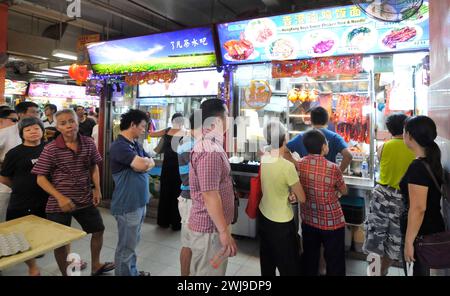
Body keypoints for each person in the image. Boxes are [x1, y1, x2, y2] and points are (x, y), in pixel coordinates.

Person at [32, 109, 114, 276]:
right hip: (58, 203)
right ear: (57, 127)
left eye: (71, 121)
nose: (68, 125)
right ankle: (66, 273)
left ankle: (96, 265)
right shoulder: (51, 148)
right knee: (61, 241)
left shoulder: (89, 142)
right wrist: (60, 197)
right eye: (63, 123)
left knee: (98, 229)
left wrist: (97, 188)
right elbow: (40, 178)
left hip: (84, 198)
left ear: (78, 122)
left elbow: (93, 166)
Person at [188, 99, 237, 276]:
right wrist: (224, 232)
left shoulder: (212, 144)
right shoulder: (209, 149)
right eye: (227, 116)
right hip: (210, 230)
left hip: (214, 227)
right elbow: (210, 194)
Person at [363, 113, 415, 276]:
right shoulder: (413, 147)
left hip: (381, 195)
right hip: (402, 199)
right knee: (395, 241)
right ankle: (383, 270)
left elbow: (379, 159)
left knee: (374, 240)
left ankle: (374, 273)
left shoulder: (384, 146)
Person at [109, 109, 154, 276]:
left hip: (138, 202)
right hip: (127, 204)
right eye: (142, 126)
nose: (144, 130)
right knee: (126, 247)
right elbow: (143, 165)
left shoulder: (135, 144)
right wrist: (144, 164)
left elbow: (150, 162)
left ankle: (131, 272)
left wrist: (145, 163)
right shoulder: (119, 146)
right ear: (132, 125)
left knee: (133, 243)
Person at [0, 117, 48, 276]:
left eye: (36, 128)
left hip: (47, 200)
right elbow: (4, 176)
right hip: (22, 201)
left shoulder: (50, 148)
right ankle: (33, 268)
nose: (33, 132)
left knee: (48, 232)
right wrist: (18, 187)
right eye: (28, 130)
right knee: (22, 234)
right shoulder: (14, 153)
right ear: (22, 133)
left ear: (42, 130)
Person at [297, 129, 348, 276]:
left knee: (310, 258)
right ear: (323, 147)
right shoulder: (333, 168)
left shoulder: (299, 164)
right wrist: (337, 191)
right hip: (331, 223)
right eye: (326, 143)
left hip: (309, 219)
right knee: (334, 260)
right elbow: (344, 191)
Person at [258, 121, 306, 276]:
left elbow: (273, 185)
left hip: (264, 216)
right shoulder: (287, 166)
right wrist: (293, 195)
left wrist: (288, 194)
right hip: (282, 224)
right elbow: (302, 198)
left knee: (267, 263)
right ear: (284, 138)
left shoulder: (264, 158)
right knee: (289, 266)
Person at [401, 116, 446, 276]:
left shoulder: (417, 167)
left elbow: (418, 208)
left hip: (421, 236)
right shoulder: (431, 160)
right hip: (431, 229)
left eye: (404, 132)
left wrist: (408, 242)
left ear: (410, 136)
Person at [149, 113, 186, 230]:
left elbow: (152, 135)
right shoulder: (185, 133)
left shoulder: (167, 131)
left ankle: (163, 221)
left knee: (165, 193)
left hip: (167, 167)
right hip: (179, 168)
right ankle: (176, 223)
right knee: (177, 194)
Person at [286, 106, 353, 172]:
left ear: (311, 120)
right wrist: (338, 173)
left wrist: (298, 165)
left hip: (306, 178)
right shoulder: (335, 137)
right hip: (328, 179)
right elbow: (348, 156)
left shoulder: (301, 136)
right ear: (327, 121)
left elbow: (284, 150)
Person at [176, 113, 199, 276]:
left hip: (191, 197)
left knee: (190, 243)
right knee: (189, 243)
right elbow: (190, 178)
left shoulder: (195, 142)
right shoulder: (188, 144)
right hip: (190, 199)